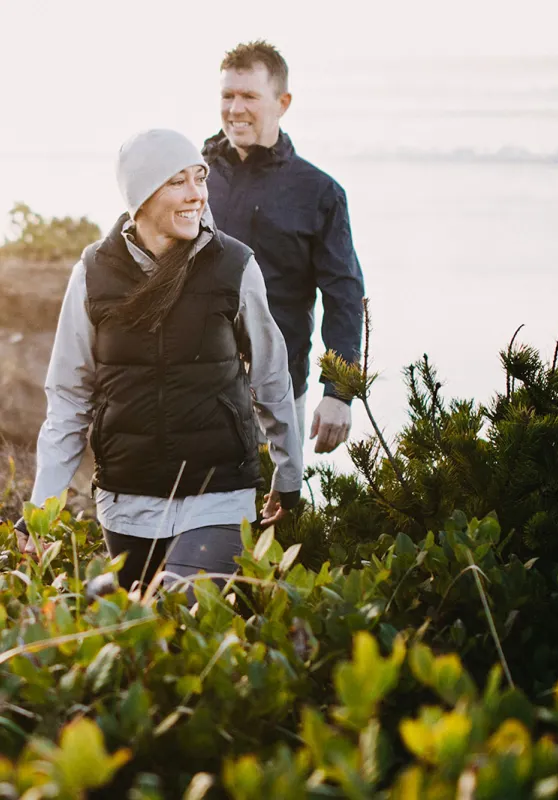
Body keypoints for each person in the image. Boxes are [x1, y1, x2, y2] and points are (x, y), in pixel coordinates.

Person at [13, 129, 303, 596]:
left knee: (182, 607)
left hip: (219, 496)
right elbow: (69, 397)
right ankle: (98, 595)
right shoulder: (93, 272)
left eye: (199, 178)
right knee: (134, 626)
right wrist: (41, 510)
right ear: (142, 196)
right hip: (126, 502)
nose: (196, 195)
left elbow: (271, 377)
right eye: (177, 182)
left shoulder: (234, 265)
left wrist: (289, 477)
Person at [202, 40, 365, 455]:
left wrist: (339, 393)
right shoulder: (191, 179)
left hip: (276, 392)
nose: (235, 109)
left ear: (283, 102)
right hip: (189, 388)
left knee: (271, 514)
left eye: (249, 96)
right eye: (228, 95)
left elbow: (344, 295)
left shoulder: (319, 192)